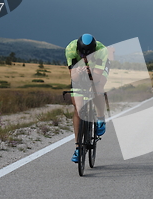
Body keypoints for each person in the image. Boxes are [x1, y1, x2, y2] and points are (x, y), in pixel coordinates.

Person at [65, 33, 110, 163]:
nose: (84, 57)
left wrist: (89, 71)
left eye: (87, 55)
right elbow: (73, 78)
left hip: (98, 69)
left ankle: (100, 118)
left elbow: (96, 79)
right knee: (78, 109)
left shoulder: (101, 51)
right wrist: (78, 73)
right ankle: (78, 147)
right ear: (78, 50)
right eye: (81, 55)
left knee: (98, 86)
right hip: (80, 70)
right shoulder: (70, 49)